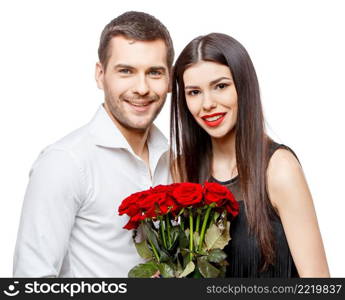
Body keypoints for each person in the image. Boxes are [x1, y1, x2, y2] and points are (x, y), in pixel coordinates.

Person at [13, 11, 174, 277]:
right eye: (126, 71)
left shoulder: (173, 158)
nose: (142, 88)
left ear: (169, 79)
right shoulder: (65, 162)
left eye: (154, 72)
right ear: (100, 75)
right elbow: (33, 278)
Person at [170, 33, 329, 277]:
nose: (207, 103)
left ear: (243, 86)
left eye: (220, 86)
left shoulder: (278, 168)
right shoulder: (180, 169)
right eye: (194, 92)